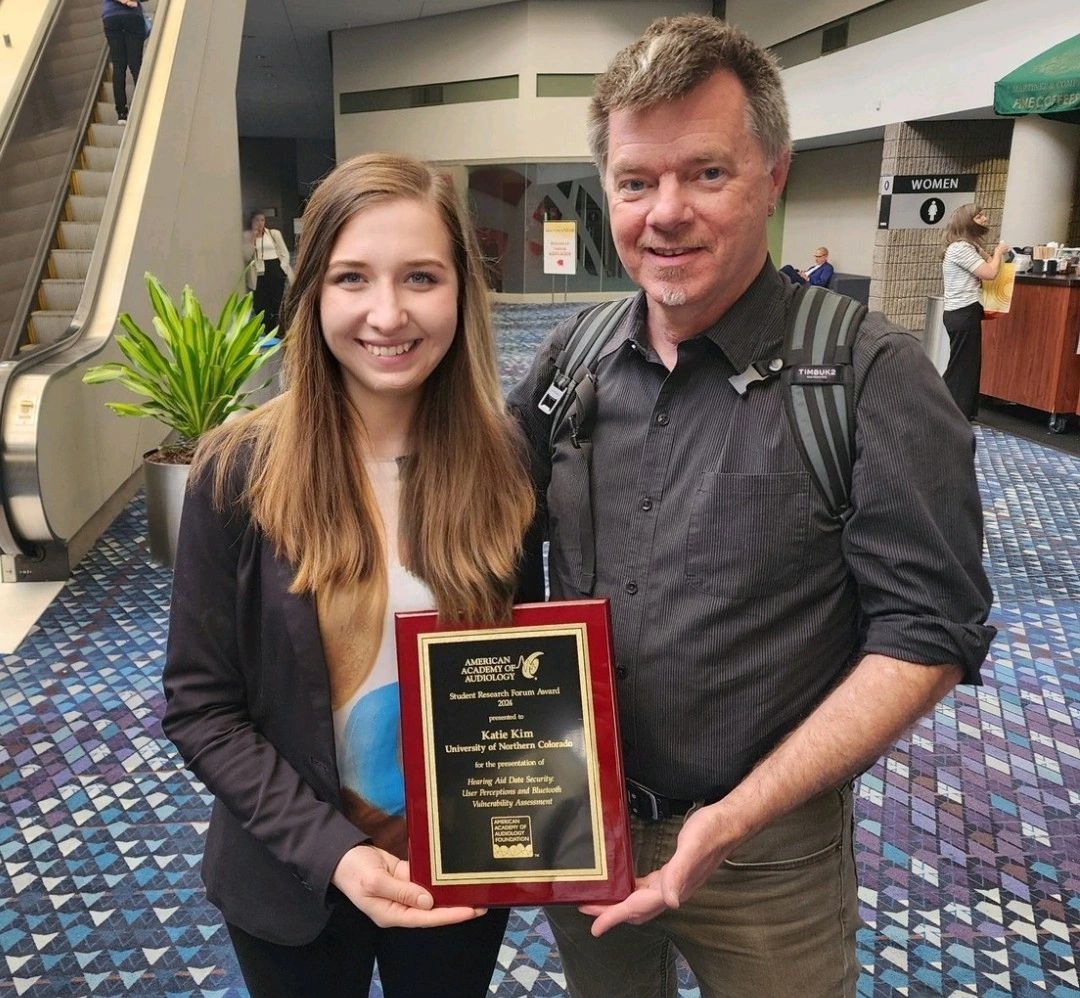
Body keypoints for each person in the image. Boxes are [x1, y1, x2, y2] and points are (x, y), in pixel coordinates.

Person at [508, 15, 994, 997]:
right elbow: (473, 530)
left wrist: (733, 817)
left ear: (774, 177)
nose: (666, 212)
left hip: (766, 851)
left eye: (706, 173)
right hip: (583, 823)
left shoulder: (868, 373)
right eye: (635, 182)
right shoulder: (571, 359)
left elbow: (929, 631)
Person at [163, 154, 539, 997]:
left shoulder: (505, 463)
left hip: (457, 868)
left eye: (421, 277)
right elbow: (201, 707)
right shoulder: (237, 471)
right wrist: (336, 853)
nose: (388, 313)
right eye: (352, 278)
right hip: (289, 873)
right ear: (313, 295)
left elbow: (526, 672)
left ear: (462, 293)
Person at [941, 204, 1008, 420]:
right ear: (967, 222)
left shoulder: (969, 246)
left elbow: (989, 263)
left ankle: (963, 410)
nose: (985, 219)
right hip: (962, 312)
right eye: (979, 216)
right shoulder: (960, 248)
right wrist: (999, 252)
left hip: (965, 311)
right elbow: (990, 272)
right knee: (962, 363)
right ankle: (944, 406)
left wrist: (991, 253)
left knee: (968, 362)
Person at [244, 211, 294, 333]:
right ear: (251, 222)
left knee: (276, 301)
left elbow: (284, 252)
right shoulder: (247, 236)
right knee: (260, 303)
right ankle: (265, 329)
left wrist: (282, 267)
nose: (260, 223)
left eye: (262, 220)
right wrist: (253, 239)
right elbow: (247, 256)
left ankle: (277, 329)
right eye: (257, 220)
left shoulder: (273, 233)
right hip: (258, 271)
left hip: (275, 267)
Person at [101, 0, 146, 124]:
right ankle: (142, 104)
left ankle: (121, 113)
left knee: (119, 66)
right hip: (132, 17)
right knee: (136, 64)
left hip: (111, 17)